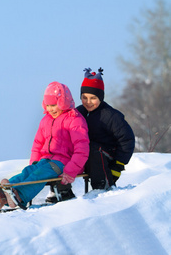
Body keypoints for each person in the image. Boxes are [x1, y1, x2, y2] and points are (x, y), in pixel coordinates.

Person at [0, 82, 90, 210]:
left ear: (63, 103)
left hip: (65, 163)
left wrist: (70, 170)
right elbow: (37, 144)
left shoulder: (74, 120)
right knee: (29, 171)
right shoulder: (46, 120)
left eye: (54, 105)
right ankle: (5, 193)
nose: (51, 109)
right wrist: (34, 162)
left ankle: (20, 196)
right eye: (48, 105)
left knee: (39, 174)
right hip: (46, 160)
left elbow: (82, 149)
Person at [46, 68, 136, 202]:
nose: (88, 101)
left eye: (93, 98)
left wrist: (118, 165)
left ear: (101, 97)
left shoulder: (111, 116)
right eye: (84, 97)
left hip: (107, 155)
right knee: (66, 151)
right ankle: (61, 190)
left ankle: (102, 186)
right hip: (85, 154)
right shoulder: (77, 113)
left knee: (93, 148)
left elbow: (127, 139)